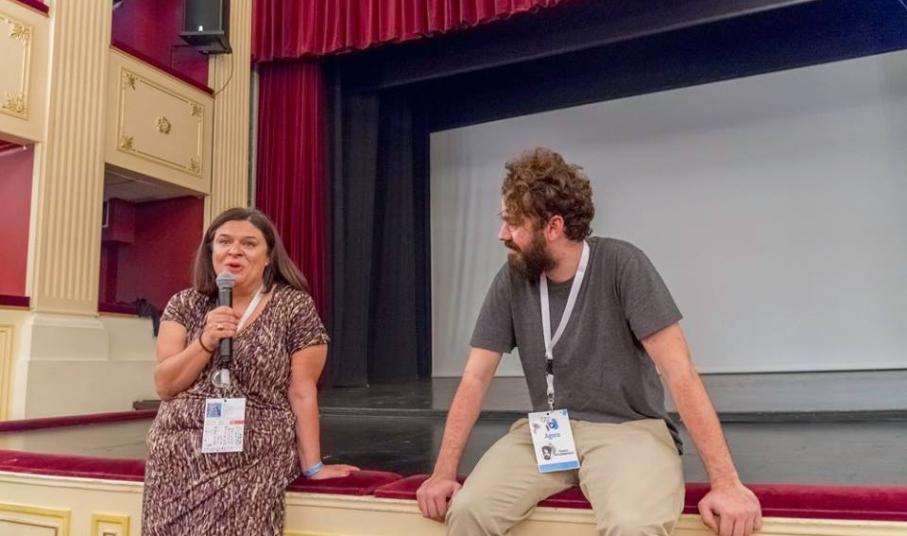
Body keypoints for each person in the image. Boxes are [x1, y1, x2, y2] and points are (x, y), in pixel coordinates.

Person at [416, 148, 762, 536]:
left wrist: (726, 482)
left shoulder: (623, 265)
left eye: (513, 223)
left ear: (553, 227)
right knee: (469, 511)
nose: (503, 235)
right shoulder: (513, 279)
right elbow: (475, 378)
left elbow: (679, 372)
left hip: (629, 430)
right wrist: (442, 473)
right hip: (549, 435)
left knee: (632, 526)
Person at [142, 207, 358, 536]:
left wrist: (313, 466)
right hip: (177, 451)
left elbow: (302, 391)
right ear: (210, 251)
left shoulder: (294, 307)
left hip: (255, 452)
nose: (235, 251)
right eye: (224, 241)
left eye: (249, 243)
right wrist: (206, 341)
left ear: (269, 256)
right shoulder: (185, 304)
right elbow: (165, 384)